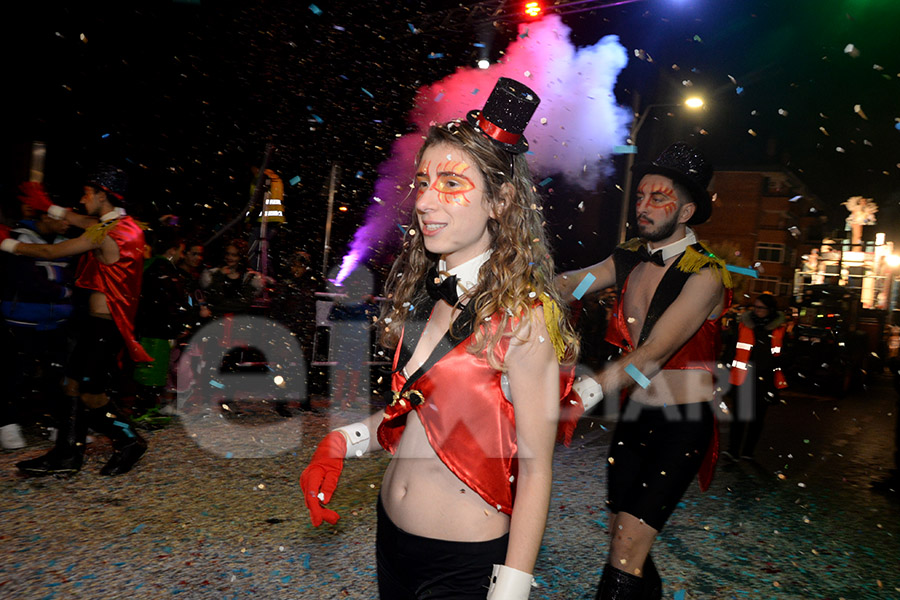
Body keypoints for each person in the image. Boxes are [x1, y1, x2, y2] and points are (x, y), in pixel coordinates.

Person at [299, 77, 579, 599]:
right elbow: (420, 403)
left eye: (452, 183)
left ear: (501, 201)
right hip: (391, 538)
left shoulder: (525, 317)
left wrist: (511, 588)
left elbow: (537, 471)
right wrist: (345, 440)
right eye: (424, 182)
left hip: (464, 562)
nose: (426, 201)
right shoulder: (427, 293)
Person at [556, 142, 732, 599]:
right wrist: (514, 283)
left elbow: (653, 355)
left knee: (624, 550)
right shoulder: (630, 257)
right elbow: (577, 283)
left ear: (687, 210)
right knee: (622, 535)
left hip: (680, 424)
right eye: (640, 196)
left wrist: (581, 397)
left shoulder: (706, 274)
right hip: (636, 418)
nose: (644, 206)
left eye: (659, 198)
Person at [1, 165, 153, 476]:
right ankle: (67, 455)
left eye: (86, 194)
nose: (82, 200)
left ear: (102, 195)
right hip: (99, 323)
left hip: (103, 326)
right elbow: (82, 220)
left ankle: (129, 441)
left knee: (89, 393)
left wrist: (5, 243)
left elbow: (50, 251)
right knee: (71, 385)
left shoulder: (106, 233)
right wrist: (48, 206)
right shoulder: (124, 225)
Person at [0, 206, 75, 449]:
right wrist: (63, 291)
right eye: (63, 217)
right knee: (14, 372)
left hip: (58, 320)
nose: (67, 222)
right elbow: (25, 279)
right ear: (45, 215)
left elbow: (73, 274)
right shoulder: (19, 237)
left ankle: (56, 424)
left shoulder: (67, 241)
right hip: (22, 318)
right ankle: (7, 424)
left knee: (57, 373)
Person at [723, 292, 788, 460]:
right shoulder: (744, 324)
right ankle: (733, 450)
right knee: (739, 417)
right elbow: (733, 348)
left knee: (757, 418)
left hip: (765, 379)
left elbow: (783, 354)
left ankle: (747, 452)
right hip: (743, 376)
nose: (757, 310)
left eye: (761, 308)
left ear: (770, 309)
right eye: (755, 307)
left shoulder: (779, 328)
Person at [132, 227, 189, 417]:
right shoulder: (163, 272)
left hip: (147, 328)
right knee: (152, 372)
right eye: (180, 250)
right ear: (172, 250)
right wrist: (176, 325)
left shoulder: (149, 267)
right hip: (156, 330)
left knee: (149, 370)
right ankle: (145, 411)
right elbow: (168, 303)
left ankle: (146, 408)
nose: (182, 255)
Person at [199, 238, 264, 316]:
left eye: (234, 255)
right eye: (227, 254)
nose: (229, 257)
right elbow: (214, 298)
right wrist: (219, 276)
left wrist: (218, 306)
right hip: (216, 320)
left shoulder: (249, 278)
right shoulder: (212, 274)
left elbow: (244, 304)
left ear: (240, 257)